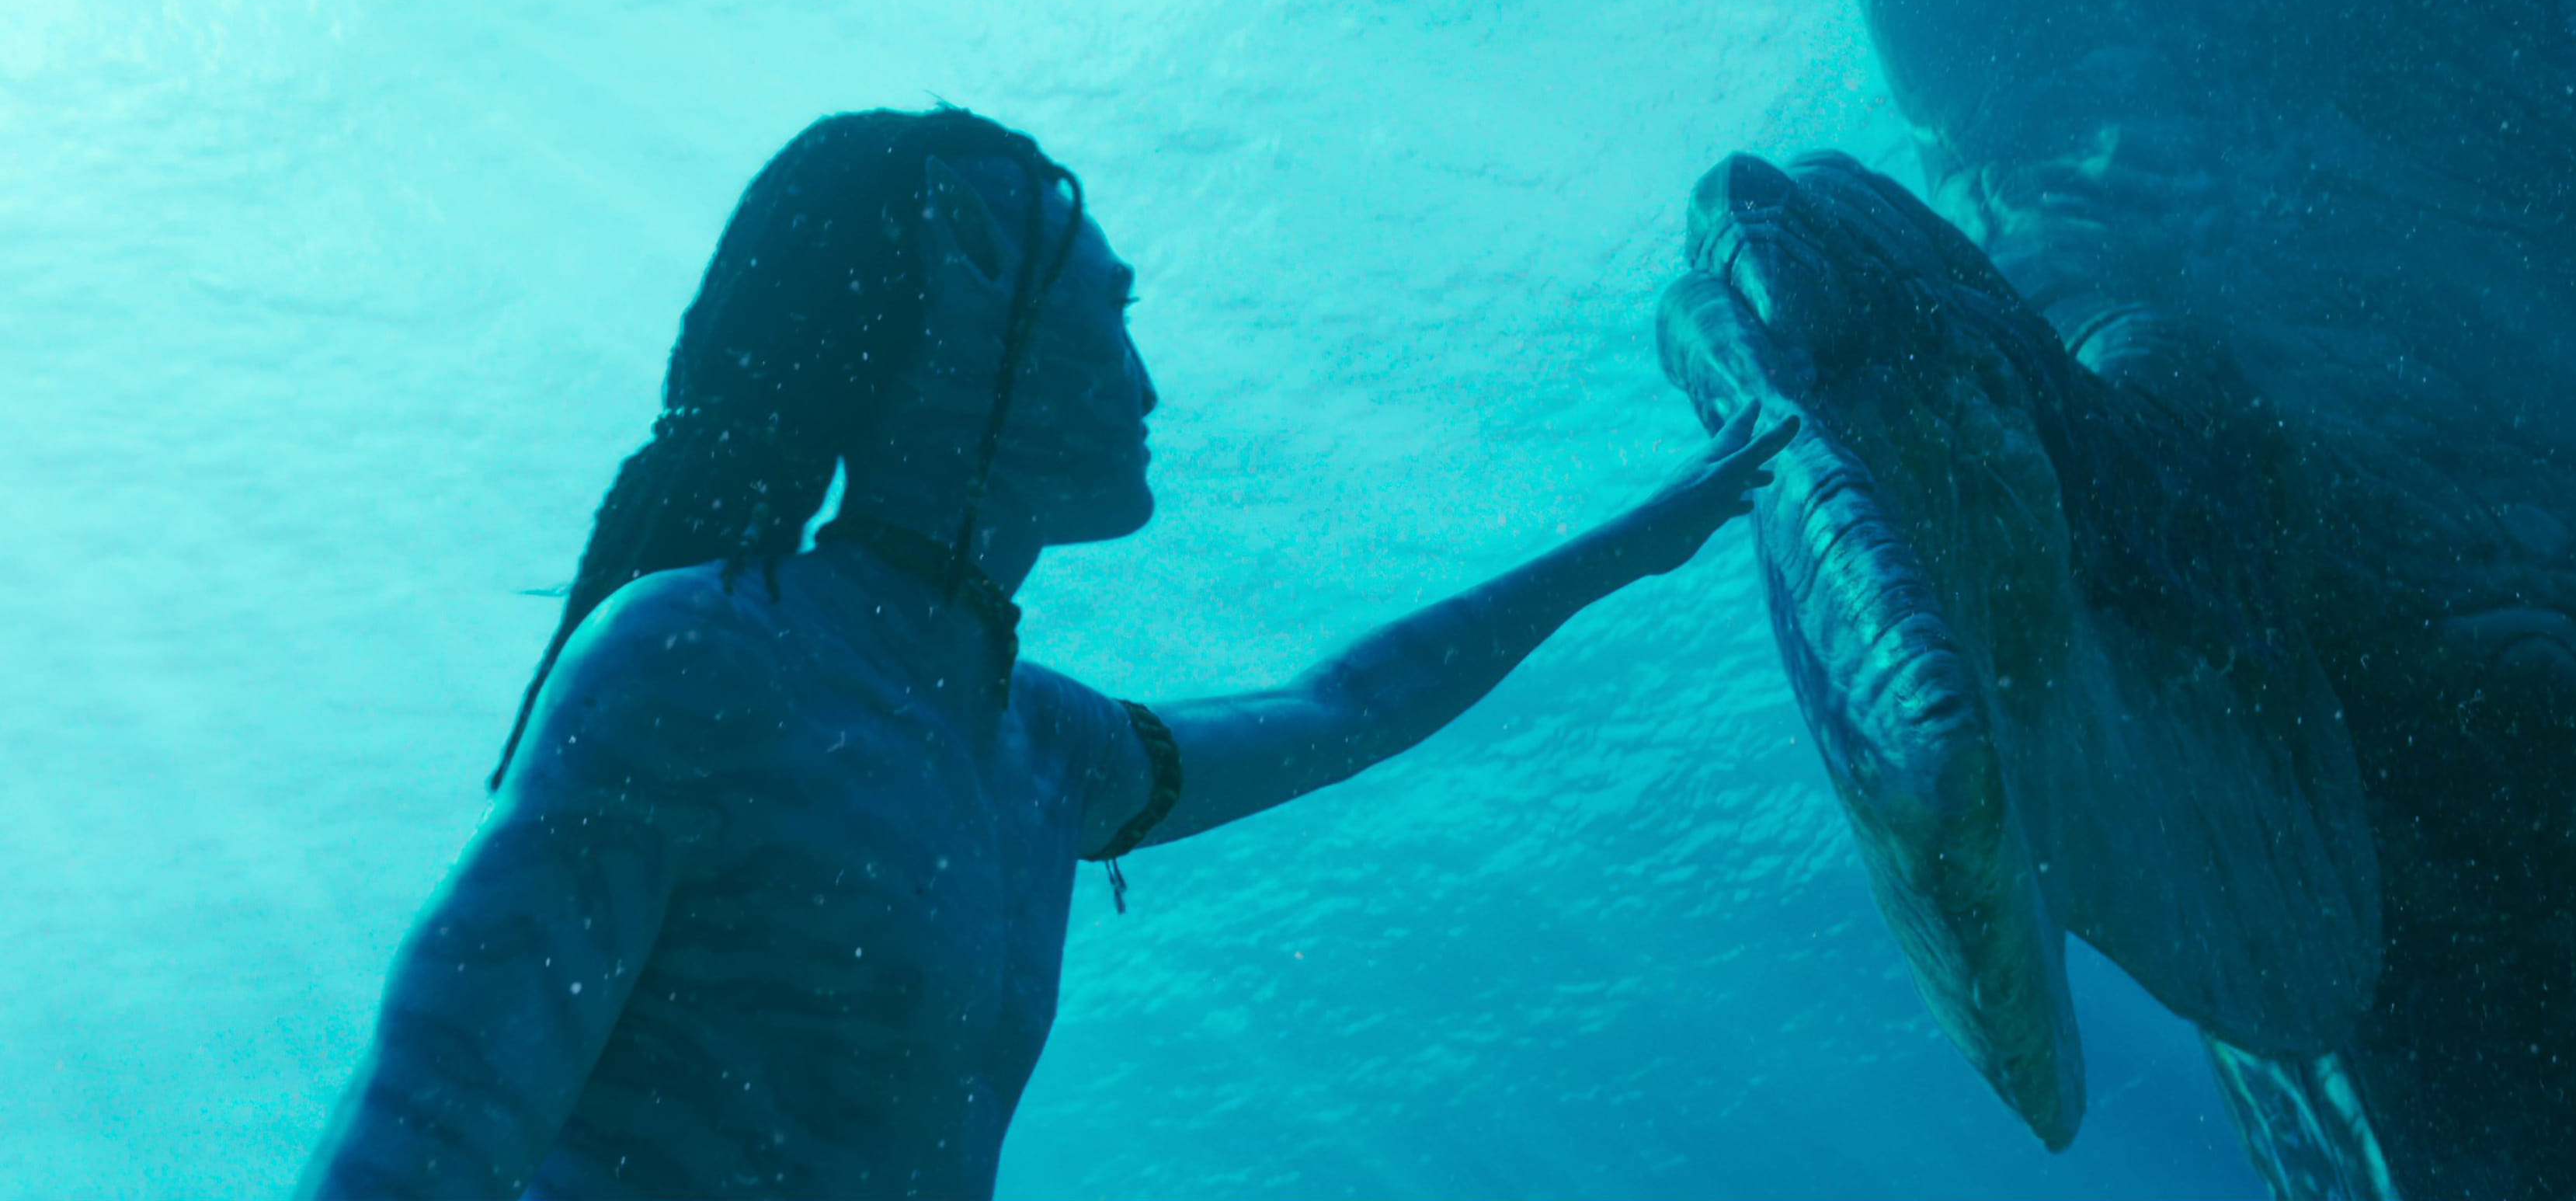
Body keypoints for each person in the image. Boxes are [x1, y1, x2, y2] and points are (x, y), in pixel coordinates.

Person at [298, 107, 1796, 1200]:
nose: (1143, 380)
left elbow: (1345, 702)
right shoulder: (691, 664)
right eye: (1110, 308)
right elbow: (419, 1139)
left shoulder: (1039, 752)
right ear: (958, 273)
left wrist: (1639, 539)